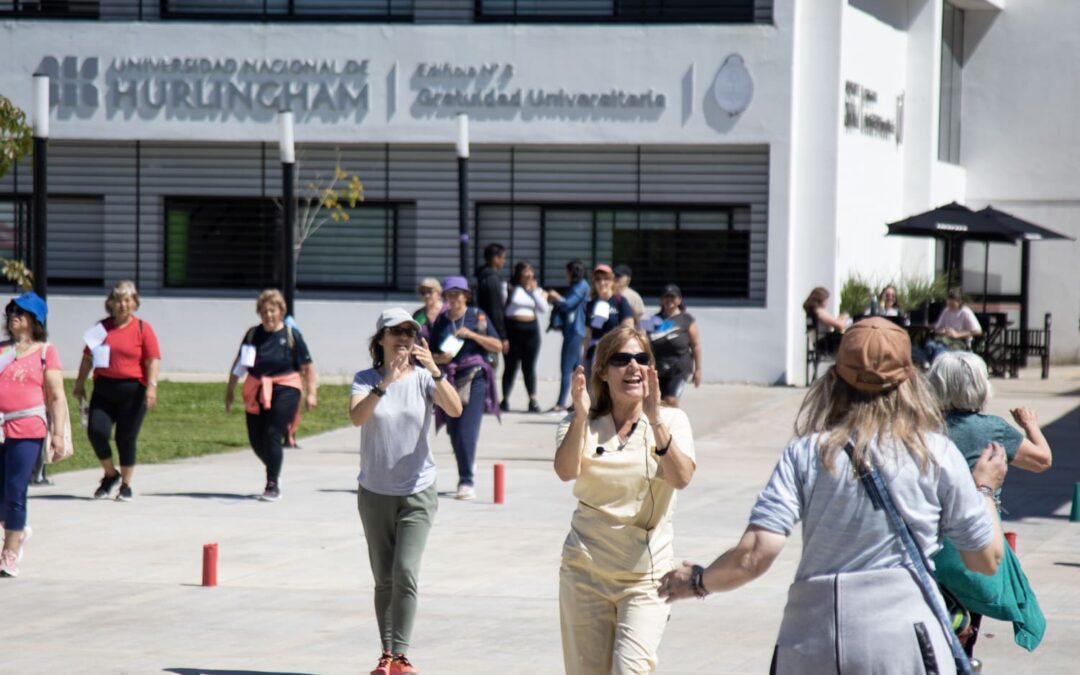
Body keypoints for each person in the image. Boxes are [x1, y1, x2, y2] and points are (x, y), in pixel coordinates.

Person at [660, 318, 1006, 674]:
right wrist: (984, 490)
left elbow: (753, 555)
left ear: (835, 379)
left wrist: (698, 581)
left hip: (814, 639)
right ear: (910, 382)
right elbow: (985, 559)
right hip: (906, 641)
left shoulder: (807, 453)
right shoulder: (935, 453)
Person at [555, 325, 696, 674]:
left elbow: (681, 478)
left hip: (645, 579)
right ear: (603, 371)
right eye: (621, 359)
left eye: (641, 358)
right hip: (585, 573)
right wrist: (580, 416)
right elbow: (566, 471)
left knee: (630, 669)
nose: (633, 366)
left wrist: (655, 421)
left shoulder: (672, 420)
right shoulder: (582, 421)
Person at [350, 308, 463, 675]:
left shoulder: (425, 379)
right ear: (381, 339)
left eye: (409, 332)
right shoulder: (365, 379)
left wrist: (435, 370)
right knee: (384, 576)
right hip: (375, 492)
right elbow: (357, 417)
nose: (403, 338)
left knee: (405, 570)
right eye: (395, 331)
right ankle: (386, 655)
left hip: (418, 491)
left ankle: (401, 654)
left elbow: (455, 409)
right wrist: (385, 383)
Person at [928, 351, 1050, 659]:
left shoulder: (922, 428)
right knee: (965, 633)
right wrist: (1030, 424)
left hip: (928, 548)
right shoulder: (992, 429)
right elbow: (1042, 460)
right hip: (975, 546)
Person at [225, 289, 318, 501]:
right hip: (257, 387)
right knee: (256, 440)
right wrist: (229, 390)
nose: (268, 315)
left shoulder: (291, 335)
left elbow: (308, 366)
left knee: (272, 434)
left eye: (272, 311)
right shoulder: (253, 335)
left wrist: (312, 393)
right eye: (264, 311)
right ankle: (274, 468)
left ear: (281, 312)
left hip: (286, 387)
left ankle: (272, 484)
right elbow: (240, 364)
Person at [0, 292, 69, 578]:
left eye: (21, 312)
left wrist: (58, 435)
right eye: (12, 312)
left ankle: (9, 553)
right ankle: (17, 529)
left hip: (28, 428)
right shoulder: (2, 350)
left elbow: (57, 395)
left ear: (34, 320)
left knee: (15, 490)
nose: (14, 316)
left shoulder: (45, 352)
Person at [73, 280, 161, 502]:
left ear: (134, 303)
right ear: (111, 303)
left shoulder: (143, 328)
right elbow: (87, 358)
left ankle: (126, 485)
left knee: (126, 438)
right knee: (96, 432)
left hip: (133, 391)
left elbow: (152, 360)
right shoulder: (100, 328)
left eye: (128, 300)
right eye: (119, 300)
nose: (123, 305)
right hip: (104, 389)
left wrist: (152, 387)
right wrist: (79, 383)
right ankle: (111, 474)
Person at [430, 276, 502, 500]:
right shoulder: (442, 320)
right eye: (449, 294)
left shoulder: (477, 316)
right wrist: (440, 358)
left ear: (466, 296)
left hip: (474, 376)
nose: (453, 298)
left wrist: (472, 335)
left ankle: (466, 480)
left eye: (457, 294)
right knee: (453, 431)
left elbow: (498, 345)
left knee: (466, 431)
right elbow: (430, 353)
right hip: (448, 378)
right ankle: (467, 463)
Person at [500, 261, 549, 413]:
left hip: (531, 332)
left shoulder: (536, 290)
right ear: (518, 274)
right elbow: (502, 307)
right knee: (510, 366)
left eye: (530, 272)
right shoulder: (509, 287)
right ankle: (505, 399)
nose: (528, 275)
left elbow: (543, 308)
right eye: (525, 272)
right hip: (513, 330)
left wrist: (534, 291)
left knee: (529, 367)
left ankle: (532, 399)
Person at [547, 260, 591, 413]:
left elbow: (568, 304)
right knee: (577, 369)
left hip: (575, 331)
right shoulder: (579, 286)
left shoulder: (581, 286)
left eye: (567, 272)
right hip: (573, 330)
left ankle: (560, 403)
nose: (566, 275)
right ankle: (576, 402)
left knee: (566, 368)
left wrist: (556, 297)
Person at [646, 284, 702, 407]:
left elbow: (696, 345)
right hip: (658, 367)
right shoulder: (652, 320)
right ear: (661, 300)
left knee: (670, 400)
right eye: (666, 297)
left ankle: (676, 418)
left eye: (673, 297)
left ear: (679, 300)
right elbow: (642, 339)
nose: (669, 300)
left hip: (679, 367)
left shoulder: (687, 319)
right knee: (657, 402)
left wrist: (698, 370)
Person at [581, 264, 635, 386]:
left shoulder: (620, 301)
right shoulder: (590, 305)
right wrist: (583, 359)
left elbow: (628, 329)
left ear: (612, 281)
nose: (602, 282)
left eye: (606, 278)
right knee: (592, 391)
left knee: (612, 390)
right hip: (594, 354)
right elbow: (588, 335)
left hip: (614, 354)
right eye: (598, 279)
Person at [475, 242, 509, 357]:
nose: (504, 261)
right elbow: (495, 309)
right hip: (489, 327)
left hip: (478, 322)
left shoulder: (480, 275)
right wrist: (502, 336)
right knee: (490, 360)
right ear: (495, 258)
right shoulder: (492, 279)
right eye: (502, 258)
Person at [411, 277, 444, 343]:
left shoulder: (447, 310)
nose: (426, 295)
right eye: (423, 292)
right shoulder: (418, 314)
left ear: (439, 293)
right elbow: (412, 336)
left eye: (430, 291)